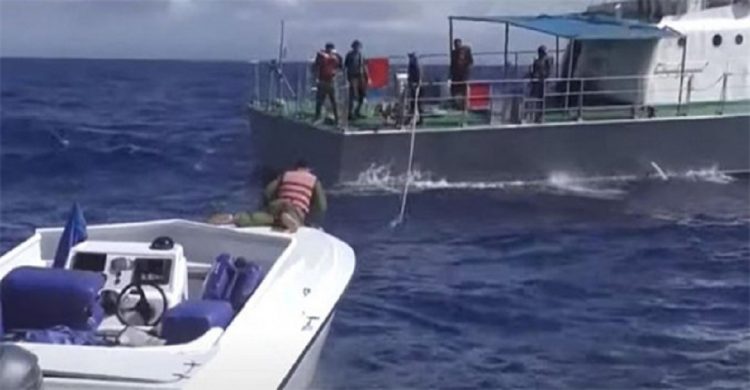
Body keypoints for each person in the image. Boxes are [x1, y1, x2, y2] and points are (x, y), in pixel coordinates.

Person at [208, 160, 327, 232]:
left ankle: (233, 218)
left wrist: (269, 203)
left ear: (295, 168)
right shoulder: (314, 180)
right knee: (293, 220)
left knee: (267, 218)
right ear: (308, 170)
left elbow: (268, 191)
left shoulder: (285, 175)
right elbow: (322, 206)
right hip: (293, 208)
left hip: (278, 203)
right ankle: (288, 220)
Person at [313, 43, 342, 125]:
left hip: (332, 81)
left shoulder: (336, 57)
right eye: (329, 49)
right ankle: (317, 116)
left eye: (331, 49)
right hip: (322, 81)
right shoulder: (321, 56)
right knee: (320, 100)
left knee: (335, 101)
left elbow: (339, 66)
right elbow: (316, 66)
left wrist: (336, 72)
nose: (330, 50)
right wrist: (316, 78)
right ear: (326, 48)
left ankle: (337, 119)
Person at [344, 40, 369, 120]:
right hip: (352, 77)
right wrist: (346, 78)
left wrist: (367, 77)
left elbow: (364, 67)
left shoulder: (362, 55)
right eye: (356, 46)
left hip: (361, 77)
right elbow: (345, 67)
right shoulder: (349, 55)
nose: (357, 48)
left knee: (362, 95)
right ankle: (349, 114)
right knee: (352, 95)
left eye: (358, 46)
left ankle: (357, 111)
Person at [528, 45, 553, 122]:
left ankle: (540, 116)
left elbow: (549, 71)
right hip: (536, 83)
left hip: (542, 82)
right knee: (534, 99)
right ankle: (533, 116)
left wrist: (544, 77)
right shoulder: (536, 61)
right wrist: (531, 74)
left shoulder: (547, 60)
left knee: (542, 99)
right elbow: (534, 72)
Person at [449, 38, 473, 109]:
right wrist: (450, 74)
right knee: (454, 90)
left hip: (464, 75)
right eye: (455, 44)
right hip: (456, 75)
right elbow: (452, 65)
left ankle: (465, 106)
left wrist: (467, 72)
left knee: (464, 90)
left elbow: (470, 63)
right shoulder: (453, 53)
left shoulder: (466, 51)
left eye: (458, 44)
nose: (456, 46)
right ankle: (456, 104)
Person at [407, 52, 424, 125]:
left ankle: (421, 119)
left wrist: (417, 85)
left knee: (419, 104)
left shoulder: (417, 66)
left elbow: (419, 77)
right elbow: (409, 76)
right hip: (412, 87)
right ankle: (411, 118)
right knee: (412, 104)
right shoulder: (410, 66)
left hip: (418, 88)